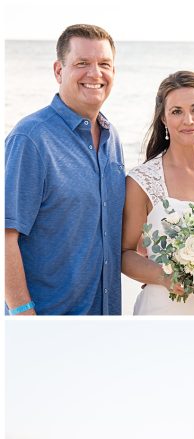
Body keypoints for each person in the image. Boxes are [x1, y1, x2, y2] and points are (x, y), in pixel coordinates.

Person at [5, 24, 124, 316]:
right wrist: (24, 316)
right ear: (59, 71)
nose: (95, 74)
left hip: (103, 321)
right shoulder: (31, 138)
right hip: (47, 323)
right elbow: (5, 236)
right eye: (82, 63)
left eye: (104, 64)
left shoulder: (113, 138)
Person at [122, 71, 194, 315]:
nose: (188, 119)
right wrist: (165, 276)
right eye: (176, 111)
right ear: (164, 119)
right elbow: (124, 254)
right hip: (166, 312)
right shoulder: (142, 181)